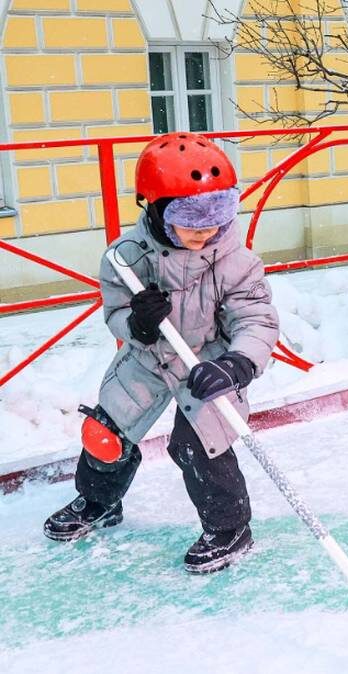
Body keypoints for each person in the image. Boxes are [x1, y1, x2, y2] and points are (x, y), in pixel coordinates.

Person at [43, 132, 279, 573]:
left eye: (217, 215)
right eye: (190, 218)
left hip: (207, 361)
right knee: (106, 433)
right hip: (148, 358)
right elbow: (114, 311)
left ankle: (229, 529)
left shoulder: (236, 260)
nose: (205, 230)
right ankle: (99, 502)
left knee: (200, 443)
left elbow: (256, 319)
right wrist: (138, 324)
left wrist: (237, 364)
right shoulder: (125, 257)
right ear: (153, 208)